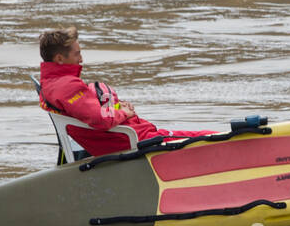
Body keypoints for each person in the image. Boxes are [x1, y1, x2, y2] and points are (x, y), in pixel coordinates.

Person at [37, 26, 214, 157]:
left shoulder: (51, 83)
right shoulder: (68, 86)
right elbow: (101, 119)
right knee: (207, 137)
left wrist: (116, 107)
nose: (81, 58)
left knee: (190, 135)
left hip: (117, 138)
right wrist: (123, 112)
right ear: (60, 58)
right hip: (128, 140)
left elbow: (88, 111)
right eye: (77, 54)